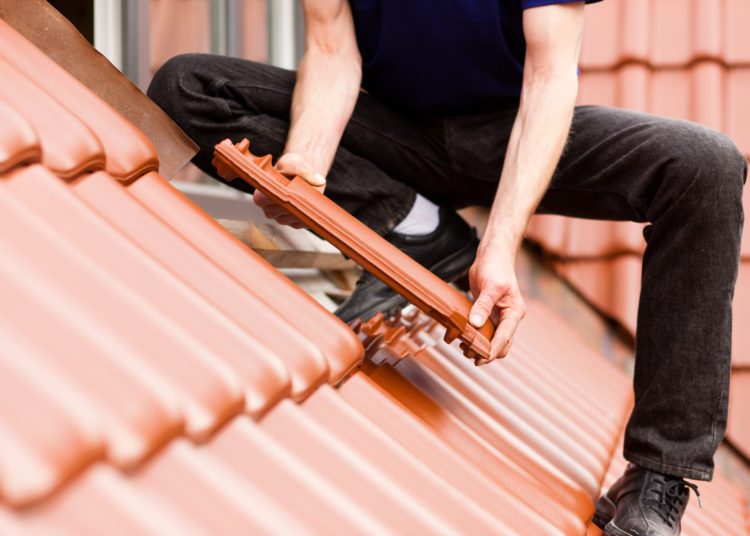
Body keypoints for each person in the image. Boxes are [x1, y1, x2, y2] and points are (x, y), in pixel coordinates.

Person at [147, 1, 747, 533]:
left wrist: (500, 248)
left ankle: (659, 474)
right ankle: (419, 227)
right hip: (393, 128)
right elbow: (331, 51)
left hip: (509, 131)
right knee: (188, 85)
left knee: (706, 167)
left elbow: (549, 79)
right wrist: (305, 161)